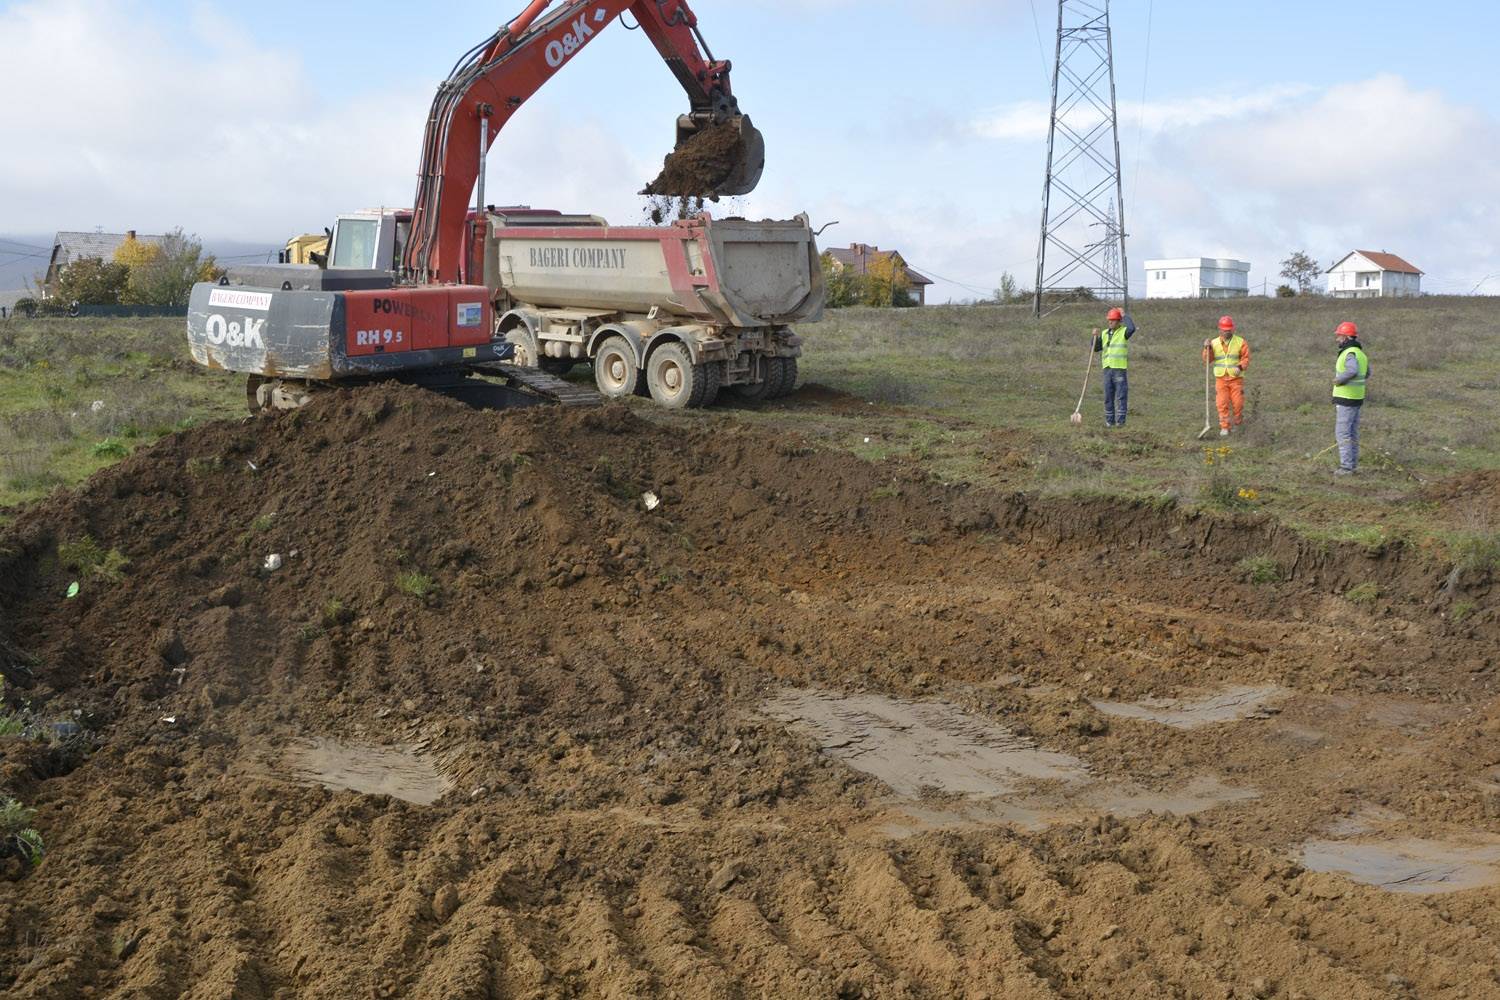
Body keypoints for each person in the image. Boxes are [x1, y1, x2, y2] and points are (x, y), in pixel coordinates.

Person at [1332, 320, 1369, 476]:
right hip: (1356, 398)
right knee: (1352, 432)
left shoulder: (1350, 353)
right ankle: (1352, 465)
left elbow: (1352, 370)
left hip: (1346, 398)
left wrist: (1339, 380)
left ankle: (1346, 467)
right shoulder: (1361, 354)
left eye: (1339, 336)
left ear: (1346, 337)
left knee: (1343, 433)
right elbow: (1367, 373)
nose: (1337, 339)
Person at [1202, 316, 1249, 436]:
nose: (1226, 332)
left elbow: (1246, 358)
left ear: (1233, 329)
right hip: (1221, 379)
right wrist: (1207, 348)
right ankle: (1225, 427)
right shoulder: (1213, 343)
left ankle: (1237, 425)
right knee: (1222, 403)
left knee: (1238, 403)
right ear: (1220, 330)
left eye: (1229, 329)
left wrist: (1240, 367)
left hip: (1236, 379)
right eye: (1224, 330)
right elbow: (1207, 360)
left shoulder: (1241, 342)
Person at [1092, 306, 1136, 428]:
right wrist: (1094, 337)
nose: (1110, 322)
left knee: (1121, 396)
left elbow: (1132, 328)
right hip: (1107, 369)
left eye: (1113, 320)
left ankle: (1120, 422)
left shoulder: (1124, 332)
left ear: (1118, 321)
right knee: (1108, 396)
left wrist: (1124, 315)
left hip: (1119, 369)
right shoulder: (1104, 333)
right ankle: (1109, 422)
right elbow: (1096, 348)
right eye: (1109, 320)